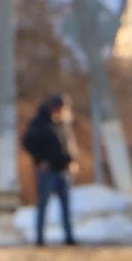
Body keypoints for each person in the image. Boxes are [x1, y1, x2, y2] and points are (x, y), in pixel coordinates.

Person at [22, 95, 78, 246]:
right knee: (43, 206)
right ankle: (40, 238)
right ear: (53, 107)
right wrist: (39, 160)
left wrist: (72, 161)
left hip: (64, 169)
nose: (62, 111)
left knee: (66, 207)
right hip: (48, 172)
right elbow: (27, 142)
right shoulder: (40, 123)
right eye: (60, 108)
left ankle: (69, 237)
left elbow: (69, 144)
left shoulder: (64, 123)